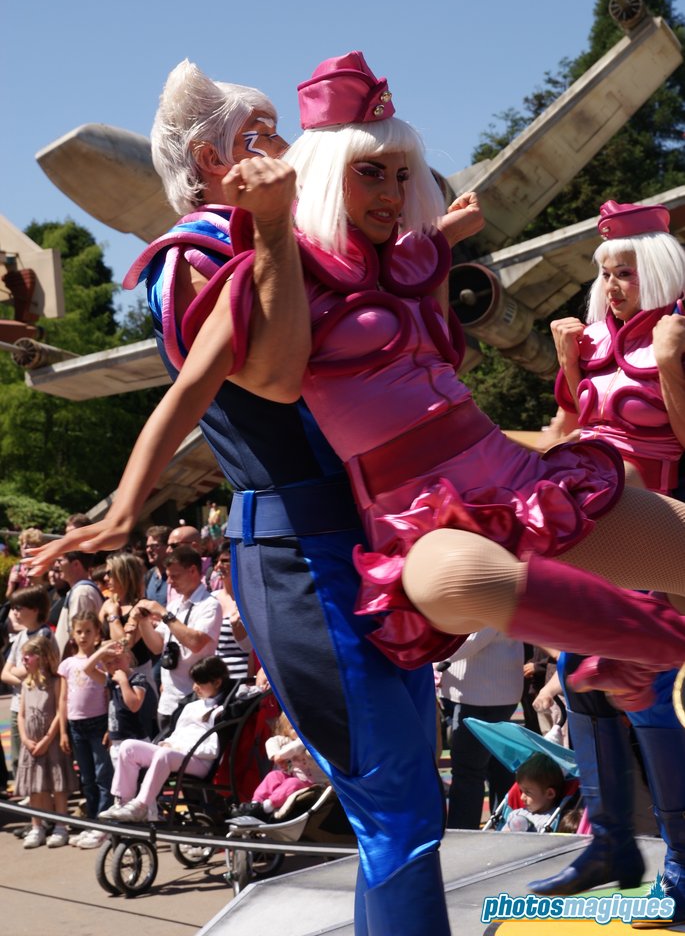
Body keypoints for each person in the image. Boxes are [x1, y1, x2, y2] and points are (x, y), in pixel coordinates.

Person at [29, 53, 685, 933]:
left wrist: (436, 235)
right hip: (314, 548)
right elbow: (264, 375)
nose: (282, 150)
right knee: (399, 809)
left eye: (282, 133)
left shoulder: (340, 243)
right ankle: (637, 665)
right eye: (258, 137)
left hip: (410, 513)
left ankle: (638, 670)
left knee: (408, 798)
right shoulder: (195, 260)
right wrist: (125, 502)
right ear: (213, 165)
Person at [526, 201, 685, 927]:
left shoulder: (678, 333)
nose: (612, 283)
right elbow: (564, 431)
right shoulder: (588, 341)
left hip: (655, 533)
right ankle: (610, 845)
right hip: (589, 532)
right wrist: (564, 362)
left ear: (652, 269)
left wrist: (675, 364)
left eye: (624, 270)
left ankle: (680, 865)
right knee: (579, 685)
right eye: (604, 272)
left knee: (649, 695)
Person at [98, 655, 229, 823]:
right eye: (193, 682)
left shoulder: (221, 711)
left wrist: (178, 749)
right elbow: (177, 733)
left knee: (164, 755)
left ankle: (141, 806)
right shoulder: (190, 706)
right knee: (128, 746)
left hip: (200, 761)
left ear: (216, 683)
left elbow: (212, 750)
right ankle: (123, 801)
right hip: (177, 755)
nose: (195, 688)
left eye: (200, 683)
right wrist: (169, 743)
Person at [128, 545, 222, 731]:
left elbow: (195, 643)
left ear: (193, 571)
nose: (169, 582)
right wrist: (143, 621)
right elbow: (156, 647)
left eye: (175, 576)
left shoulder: (210, 605)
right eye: (168, 576)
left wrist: (164, 613)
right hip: (168, 703)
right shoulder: (175, 604)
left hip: (194, 702)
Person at [438, 629, 523, 829]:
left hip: (481, 694)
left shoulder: (490, 598)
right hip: (488, 692)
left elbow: (476, 637)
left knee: (469, 771)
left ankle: (463, 830)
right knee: (497, 766)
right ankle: (505, 824)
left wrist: (437, 660)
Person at [14, 635, 78, 848]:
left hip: (50, 742)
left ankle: (61, 825)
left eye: (28, 656)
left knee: (57, 784)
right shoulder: (26, 684)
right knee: (36, 787)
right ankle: (36, 826)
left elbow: (60, 711)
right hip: (30, 744)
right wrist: (25, 738)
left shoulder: (57, 681)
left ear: (41, 657)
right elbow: (21, 715)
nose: (24, 660)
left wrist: (49, 738)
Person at [57, 610, 114, 848]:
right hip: (76, 726)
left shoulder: (102, 661)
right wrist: (63, 731)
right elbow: (63, 699)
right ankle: (92, 821)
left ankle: (104, 823)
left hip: (98, 723)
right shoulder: (68, 664)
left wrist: (111, 727)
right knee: (87, 778)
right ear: (72, 634)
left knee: (103, 775)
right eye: (79, 632)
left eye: (88, 631)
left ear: (97, 634)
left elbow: (110, 695)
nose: (83, 636)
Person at [0, 585, 56, 779]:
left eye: (19, 608)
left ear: (35, 609)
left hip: (40, 705)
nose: (14, 613)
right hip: (19, 704)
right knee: (19, 754)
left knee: (39, 754)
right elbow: (5, 673)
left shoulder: (44, 635)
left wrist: (22, 674)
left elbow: (34, 669)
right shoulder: (20, 637)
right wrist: (24, 678)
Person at [230, 711, 326, 822]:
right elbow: (271, 741)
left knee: (292, 783)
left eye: (301, 727)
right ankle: (255, 804)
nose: (298, 730)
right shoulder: (288, 740)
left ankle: (266, 807)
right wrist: (275, 755)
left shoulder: (310, 742)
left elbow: (298, 746)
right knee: (273, 775)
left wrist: (281, 755)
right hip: (295, 778)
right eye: (293, 728)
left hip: (314, 784)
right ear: (286, 731)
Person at [82, 638, 158, 763]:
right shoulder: (110, 679)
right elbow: (87, 669)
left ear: (128, 657)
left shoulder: (137, 678)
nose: (114, 666)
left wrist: (123, 682)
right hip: (117, 742)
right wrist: (102, 651)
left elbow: (134, 705)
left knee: (139, 781)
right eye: (108, 664)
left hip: (136, 740)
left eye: (117, 660)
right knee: (121, 782)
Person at [98, 551, 156, 686]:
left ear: (124, 575)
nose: (105, 578)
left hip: (137, 680)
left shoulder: (142, 606)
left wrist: (113, 615)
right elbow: (95, 640)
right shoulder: (107, 603)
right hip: (111, 677)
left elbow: (123, 646)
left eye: (110, 573)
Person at [213, 541, 253, 680]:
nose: (218, 566)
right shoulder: (210, 599)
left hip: (241, 681)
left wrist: (237, 625)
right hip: (213, 681)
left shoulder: (251, 600)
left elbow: (249, 648)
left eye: (225, 561)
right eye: (216, 561)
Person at [501, 753, 566, 834]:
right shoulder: (515, 814)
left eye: (527, 792)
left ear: (549, 794)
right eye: (521, 791)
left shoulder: (552, 821)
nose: (521, 797)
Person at [54, 551, 103, 654]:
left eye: (60, 561)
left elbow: (80, 639)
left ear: (76, 564)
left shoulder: (81, 593)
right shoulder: (78, 591)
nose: (56, 565)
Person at [144, 525, 170, 606]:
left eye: (154, 546)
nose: (149, 550)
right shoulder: (148, 576)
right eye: (147, 546)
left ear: (168, 547)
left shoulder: (178, 575)